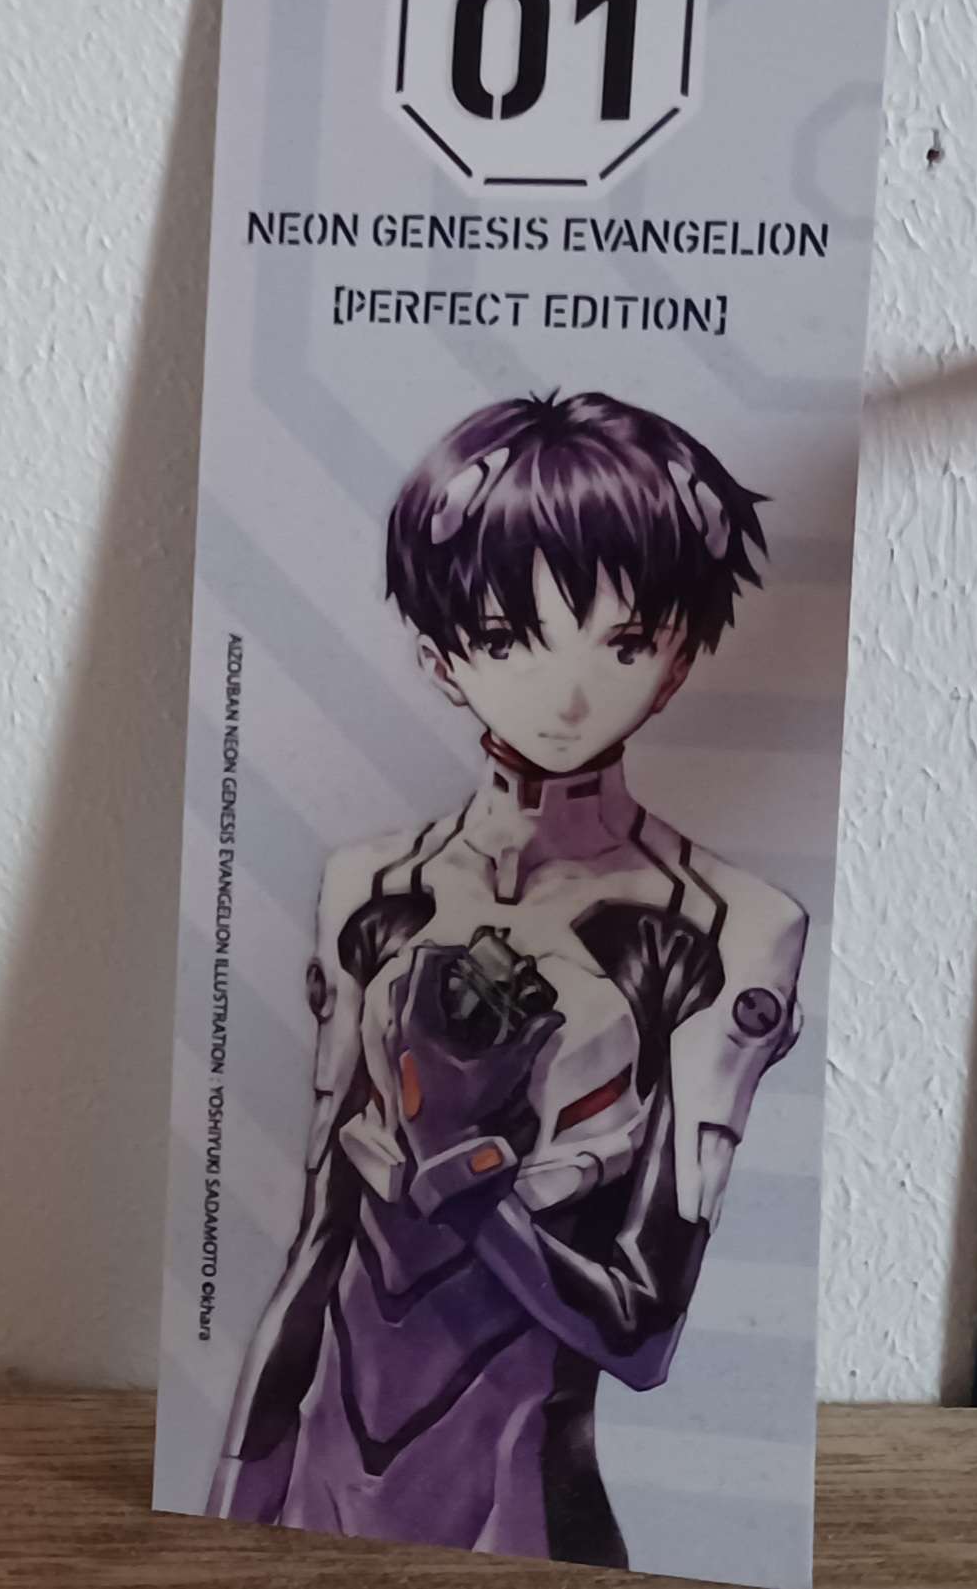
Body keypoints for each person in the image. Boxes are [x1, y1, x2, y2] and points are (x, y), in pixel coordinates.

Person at [209, 392, 807, 1566]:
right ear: (441, 656)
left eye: (622, 641)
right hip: (315, 1496)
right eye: (507, 635)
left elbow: (642, 1332)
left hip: (520, 1509)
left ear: (679, 653)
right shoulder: (370, 886)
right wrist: (225, 1510)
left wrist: (470, 1187)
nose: (568, 693)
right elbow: (316, 1249)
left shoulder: (729, 925)